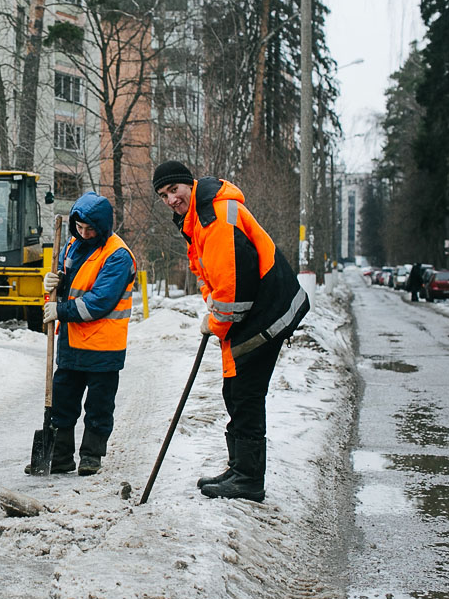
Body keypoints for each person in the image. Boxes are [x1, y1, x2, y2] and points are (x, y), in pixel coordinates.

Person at [153, 160, 309, 502]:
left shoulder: (215, 218)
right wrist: (213, 306)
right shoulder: (196, 219)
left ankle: (248, 480)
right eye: (163, 195)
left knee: (245, 393)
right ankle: (240, 468)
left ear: (188, 185)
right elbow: (206, 271)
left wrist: (217, 321)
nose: (170, 200)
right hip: (256, 309)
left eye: (174, 191)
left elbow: (233, 287)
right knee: (236, 390)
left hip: (266, 311)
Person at [27, 191, 137, 477]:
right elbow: (72, 284)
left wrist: (60, 311)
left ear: (103, 227)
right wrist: (56, 282)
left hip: (103, 346)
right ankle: (60, 457)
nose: (84, 233)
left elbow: (100, 302)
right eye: (80, 227)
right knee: (62, 402)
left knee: (99, 407)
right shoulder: (73, 245)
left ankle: (91, 456)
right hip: (72, 343)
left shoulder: (118, 256)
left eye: (90, 229)